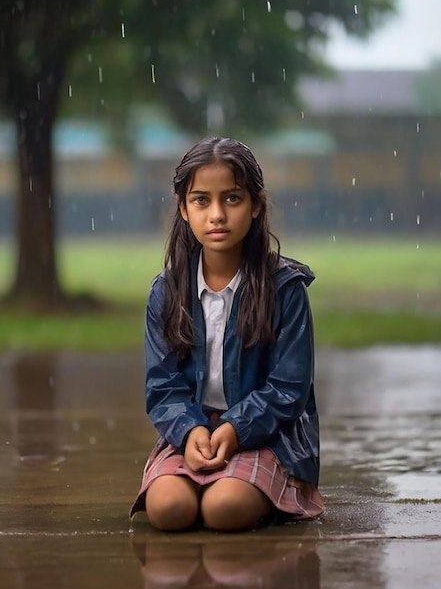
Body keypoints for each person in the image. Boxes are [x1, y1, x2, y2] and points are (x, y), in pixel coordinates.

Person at [130, 137, 324, 532]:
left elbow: (289, 388)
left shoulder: (285, 288)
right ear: (183, 208)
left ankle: (260, 490)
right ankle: (204, 475)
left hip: (266, 432)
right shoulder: (166, 292)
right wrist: (190, 431)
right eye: (201, 200)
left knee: (224, 509)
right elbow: (163, 386)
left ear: (256, 205)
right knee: (168, 511)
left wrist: (236, 429)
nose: (217, 214)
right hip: (193, 428)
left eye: (232, 199)